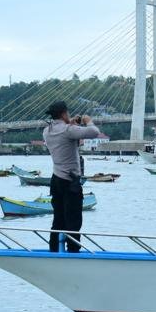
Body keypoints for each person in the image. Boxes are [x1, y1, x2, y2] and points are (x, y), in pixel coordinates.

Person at [43, 100, 100, 252]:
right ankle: (73, 252)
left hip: (56, 180)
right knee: (73, 220)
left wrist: (71, 123)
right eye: (67, 113)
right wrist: (88, 121)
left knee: (58, 219)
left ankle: (54, 251)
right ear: (63, 113)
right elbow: (94, 132)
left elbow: (65, 132)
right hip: (70, 181)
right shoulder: (68, 130)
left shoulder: (46, 131)